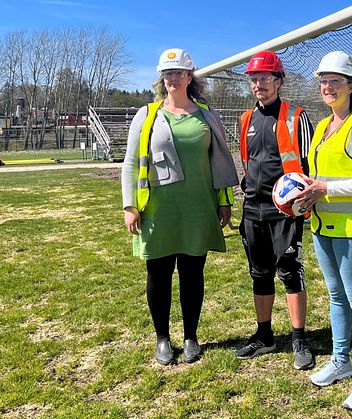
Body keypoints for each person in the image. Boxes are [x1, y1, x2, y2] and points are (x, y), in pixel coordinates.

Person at [121, 48, 238, 365]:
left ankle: (190, 337)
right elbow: (131, 163)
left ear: (190, 76)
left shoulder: (206, 114)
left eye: (179, 72)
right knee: (157, 275)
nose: (173, 78)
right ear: (162, 78)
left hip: (198, 208)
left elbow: (220, 163)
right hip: (158, 210)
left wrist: (225, 201)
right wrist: (130, 205)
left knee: (192, 274)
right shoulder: (146, 116)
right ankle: (162, 338)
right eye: (167, 73)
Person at [294, 51, 352, 410]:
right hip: (323, 225)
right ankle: (341, 361)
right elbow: (323, 175)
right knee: (336, 297)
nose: (327, 86)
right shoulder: (321, 126)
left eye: (335, 80)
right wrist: (305, 189)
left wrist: (325, 189)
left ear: (350, 85)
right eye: (323, 80)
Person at [235, 50, 316, 370]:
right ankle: (265, 336)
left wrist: (303, 200)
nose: (259, 85)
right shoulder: (245, 119)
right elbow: (247, 161)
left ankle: (299, 338)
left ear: (279, 81)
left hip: (285, 212)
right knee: (260, 274)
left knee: (290, 272)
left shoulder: (297, 116)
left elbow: (311, 164)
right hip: (253, 210)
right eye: (254, 79)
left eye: (266, 78)